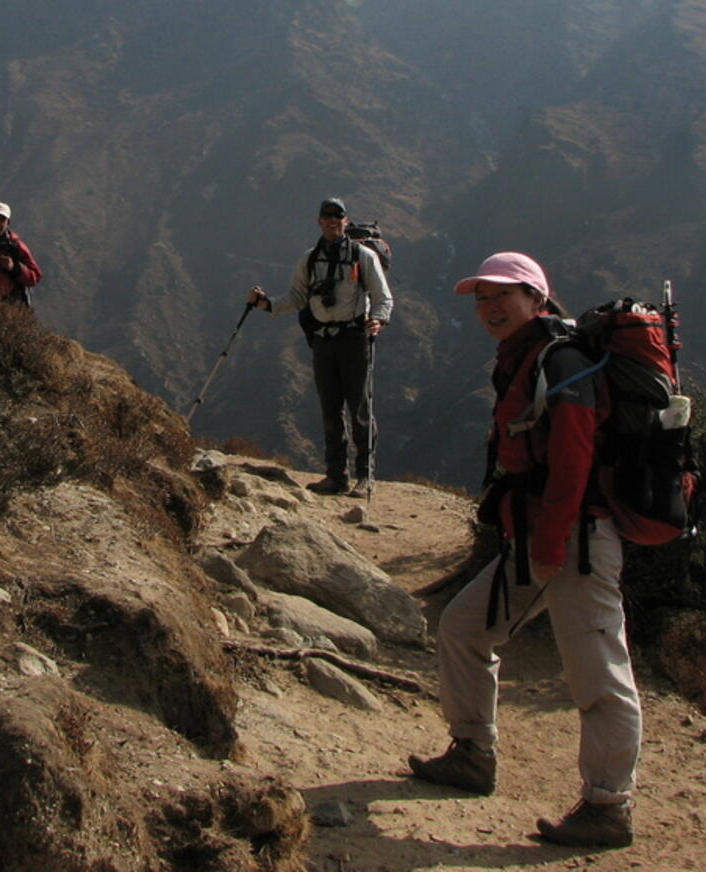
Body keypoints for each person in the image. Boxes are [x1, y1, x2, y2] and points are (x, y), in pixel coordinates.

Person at [408, 251, 641, 849]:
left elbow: (573, 457)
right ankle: (472, 754)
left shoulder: (559, 361)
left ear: (537, 299)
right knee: (463, 627)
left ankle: (608, 808)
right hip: (536, 538)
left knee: (598, 675)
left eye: (502, 296)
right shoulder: (524, 358)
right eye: (481, 299)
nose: (489, 308)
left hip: (575, 542)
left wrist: (551, 542)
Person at [246, 197, 392, 497]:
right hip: (323, 340)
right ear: (319, 221)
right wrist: (266, 304)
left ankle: (365, 477)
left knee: (359, 408)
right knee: (330, 409)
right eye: (327, 216)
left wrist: (378, 320)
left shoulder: (362, 257)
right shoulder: (309, 260)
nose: (332, 220)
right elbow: (296, 297)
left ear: (346, 220)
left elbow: (382, 296)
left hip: (354, 338)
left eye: (337, 216)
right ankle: (336, 477)